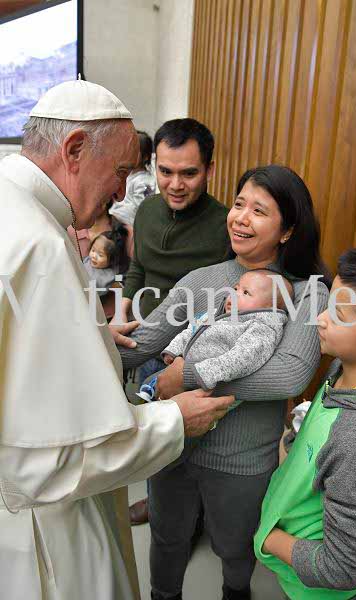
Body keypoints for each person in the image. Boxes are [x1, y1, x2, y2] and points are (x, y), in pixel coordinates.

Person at [0, 79, 234, 600]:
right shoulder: (37, 244)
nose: (124, 192)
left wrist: (91, 332)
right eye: (123, 171)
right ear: (75, 150)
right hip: (40, 528)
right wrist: (173, 420)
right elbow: (45, 464)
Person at [113, 165, 331, 600]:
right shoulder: (201, 280)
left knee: (235, 548)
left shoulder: (306, 293)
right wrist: (83, 343)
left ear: (288, 231)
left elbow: (289, 374)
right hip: (174, 443)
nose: (241, 218)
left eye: (259, 211)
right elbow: (142, 343)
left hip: (242, 460)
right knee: (167, 538)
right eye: (238, 204)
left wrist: (185, 374)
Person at [254, 248, 356, 600]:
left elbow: (343, 568)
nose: (320, 319)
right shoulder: (345, 370)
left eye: (337, 314)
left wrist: (270, 540)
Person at [114, 117, 232, 525]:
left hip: (191, 353)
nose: (175, 184)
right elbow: (138, 266)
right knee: (154, 435)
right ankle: (159, 503)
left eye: (189, 173)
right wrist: (123, 308)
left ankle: (187, 514)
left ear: (209, 170)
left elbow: (229, 300)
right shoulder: (146, 211)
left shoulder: (226, 226)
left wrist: (189, 359)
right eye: (165, 171)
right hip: (143, 337)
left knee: (190, 442)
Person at [137, 270, 293, 406]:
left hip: (208, 384)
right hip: (186, 368)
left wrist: (202, 373)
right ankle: (152, 395)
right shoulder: (215, 314)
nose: (234, 294)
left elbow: (243, 358)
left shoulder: (261, 328)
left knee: (191, 408)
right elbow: (191, 331)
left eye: (246, 293)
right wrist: (174, 350)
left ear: (269, 308)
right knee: (159, 386)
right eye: (235, 289)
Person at [109, 129, 156, 226]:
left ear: (145, 157)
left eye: (133, 153)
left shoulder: (144, 182)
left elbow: (143, 210)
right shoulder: (126, 175)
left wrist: (116, 218)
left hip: (127, 227)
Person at [83, 225, 130, 297]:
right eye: (93, 250)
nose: (94, 256)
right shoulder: (86, 260)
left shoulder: (112, 275)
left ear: (113, 260)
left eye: (100, 255)